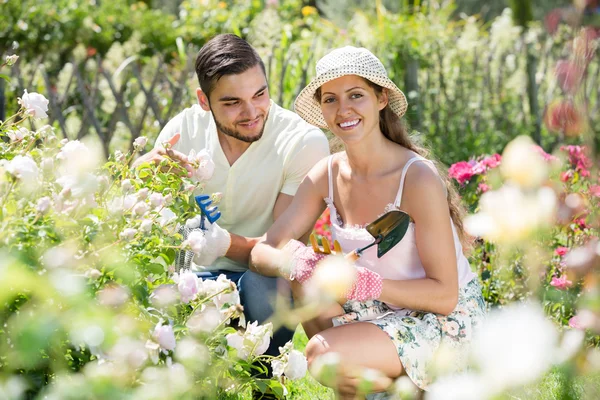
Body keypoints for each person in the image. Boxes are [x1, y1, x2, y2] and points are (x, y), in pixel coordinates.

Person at [249, 46, 486, 398]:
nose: (343, 110)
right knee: (302, 281)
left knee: (321, 355)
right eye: (330, 100)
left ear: (381, 98)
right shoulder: (327, 174)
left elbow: (445, 296)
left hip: (441, 323)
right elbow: (262, 252)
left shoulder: (415, 178)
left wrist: (368, 284)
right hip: (379, 311)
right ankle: (395, 390)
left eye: (355, 95)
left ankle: (400, 390)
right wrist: (298, 260)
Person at [133, 33, 330, 388]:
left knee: (267, 282)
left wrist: (220, 243)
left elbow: (281, 247)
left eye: (260, 94)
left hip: (266, 279)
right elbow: (142, 206)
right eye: (232, 102)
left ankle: (265, 383)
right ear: (204, 101)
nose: (252, 112)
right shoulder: (186, 129)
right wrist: (142, 171)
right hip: (197, 277)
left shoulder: (302, 142)